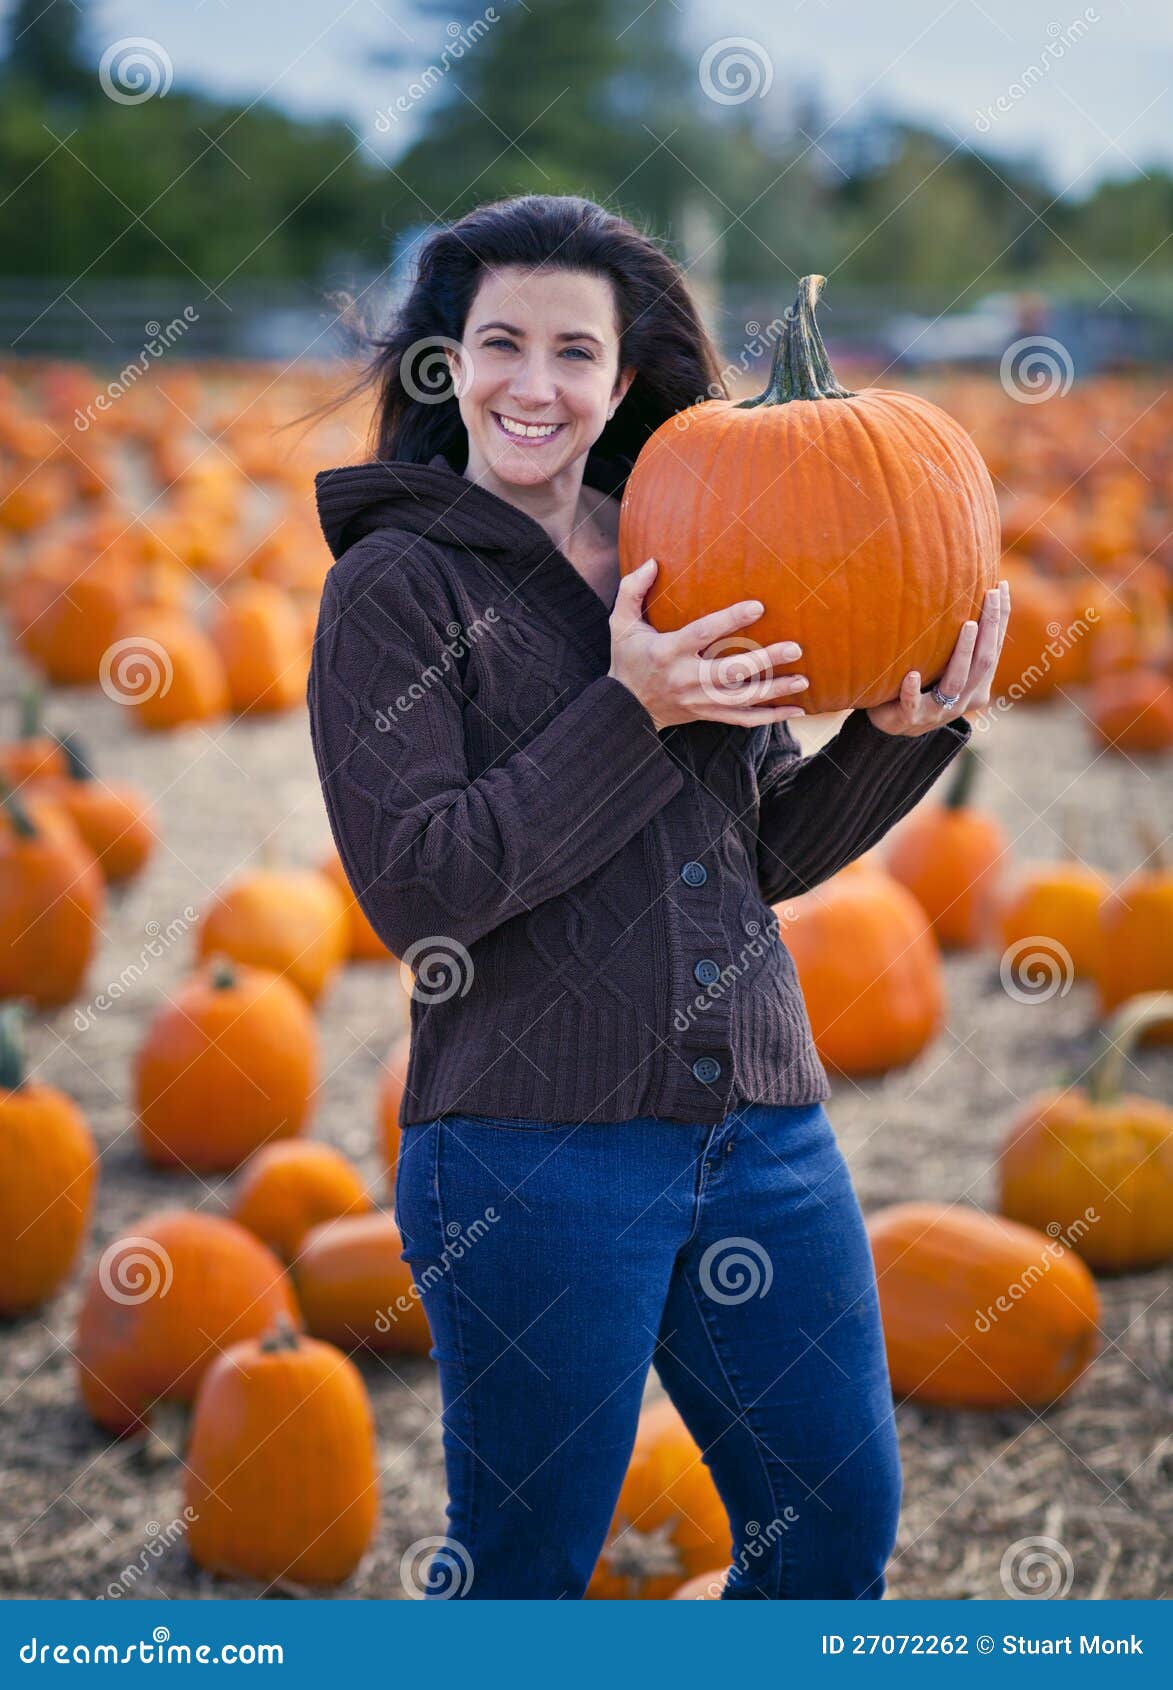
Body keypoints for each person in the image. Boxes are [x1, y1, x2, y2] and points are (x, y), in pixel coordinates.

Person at [307, 193, 1010, 1600]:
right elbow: (422, 892)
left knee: (829, 1540)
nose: (535, 382)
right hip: (531, 1152)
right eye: (498, 342)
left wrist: (903, 731)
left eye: (575, 351)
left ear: (620, 381)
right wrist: (629, 707)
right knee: (526, 1571)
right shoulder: (395, 588)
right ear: (445, 366)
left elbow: (759, 856)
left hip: (760, 1126)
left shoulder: (682, 548)